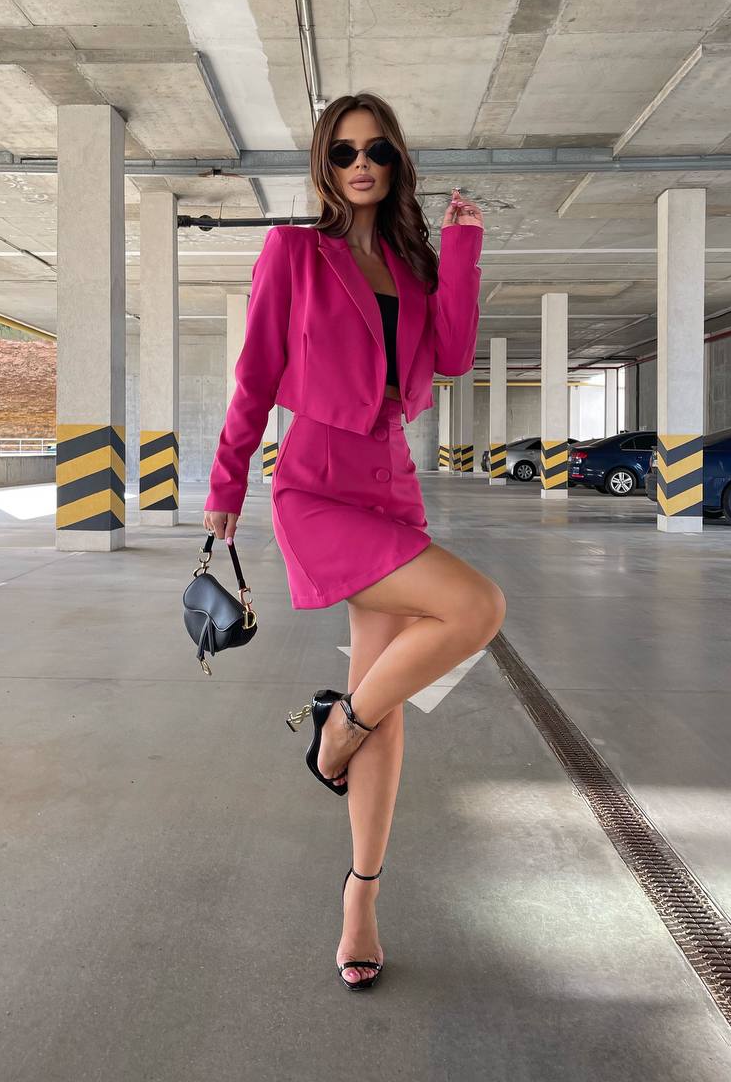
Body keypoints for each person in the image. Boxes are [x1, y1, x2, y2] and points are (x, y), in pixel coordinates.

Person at [203, 91, 506, 990]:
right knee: (477, 606)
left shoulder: (413, 265)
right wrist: (224, 483)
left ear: (396, 161)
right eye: (342, 153)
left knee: (390, 696)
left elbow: (450, 357)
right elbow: (256, 372)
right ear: (323, 166)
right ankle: (338, 727)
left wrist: (461, 245)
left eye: (375, 151)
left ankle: (361, 896)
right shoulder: (294, 251)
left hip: (392, 484)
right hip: (317, 485)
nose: (359, 165)